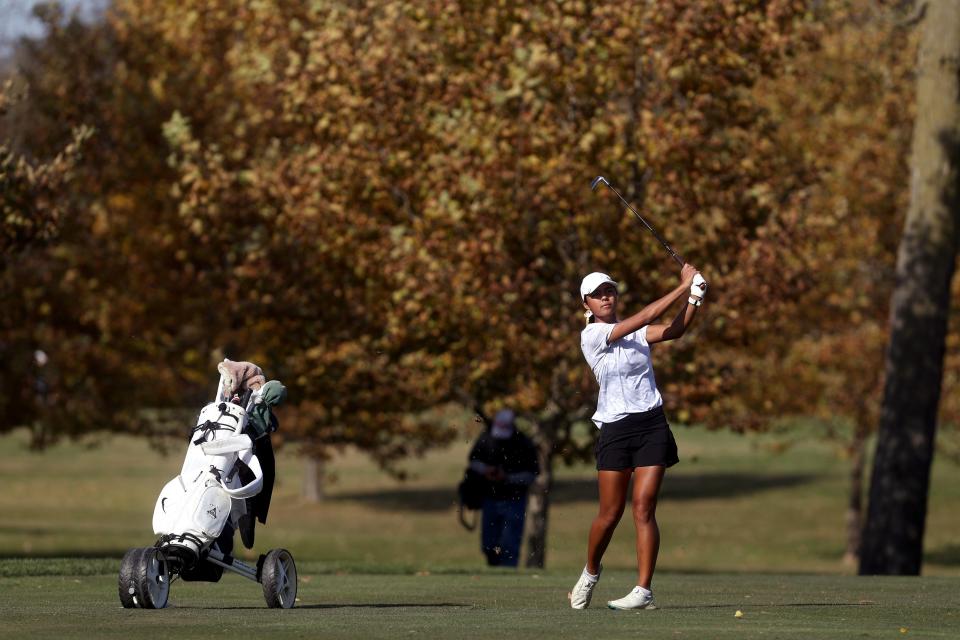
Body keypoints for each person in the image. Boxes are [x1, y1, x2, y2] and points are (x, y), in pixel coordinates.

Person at [569, 264, 707, 610]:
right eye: (597, 293)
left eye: (609, 291)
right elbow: (648, 314)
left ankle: (643, 591)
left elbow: (675, 330)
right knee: (610, 513)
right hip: (615, 430)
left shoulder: (635, 334)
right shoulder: (592, 336)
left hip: (651, 426)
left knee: (644, 508)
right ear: (585, 302)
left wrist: (695, 298)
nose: (605, 297)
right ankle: (590, 572)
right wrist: (682, 286)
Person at [467, 409, 539, 567]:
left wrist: (507, 478)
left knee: (509, 546)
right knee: (488, 545)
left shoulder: (523, 443)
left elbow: (531, 474)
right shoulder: (486, 438)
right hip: (490, 498)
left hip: (515, 499)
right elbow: (473, 462)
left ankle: (508, 578)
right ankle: (494, 573)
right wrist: (485, 471)